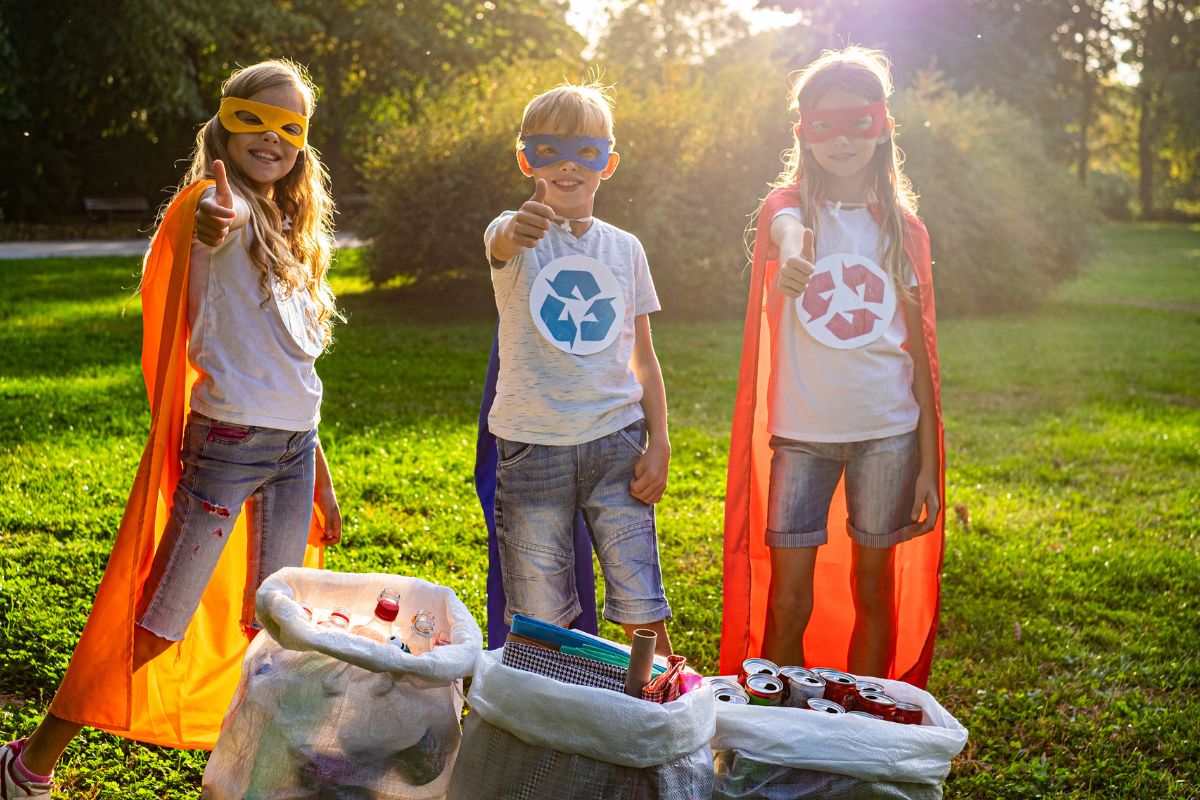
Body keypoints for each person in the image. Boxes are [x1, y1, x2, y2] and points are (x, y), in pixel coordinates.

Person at [1, 59, 343, 797]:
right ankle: (30, 761)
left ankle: (260, 766)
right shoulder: (214, 208)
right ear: (226, 122)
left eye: (290, 128)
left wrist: (319, 472)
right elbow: (204, 227)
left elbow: (294, 369)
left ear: (304, 143)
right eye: (255, 120)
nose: (272, 138)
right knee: (158, 621)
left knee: (277, 624)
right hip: (226, 452)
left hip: (291, 451)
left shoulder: (288, 224)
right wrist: (209, 215)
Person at [719, 47, 946, 685]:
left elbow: (921, 359)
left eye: (858, 123)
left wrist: (929, 461)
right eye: (824, 126)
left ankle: (863, 731)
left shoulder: (906, 232)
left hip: (889, 435)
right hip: (802, 437)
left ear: (884, 128)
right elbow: (786, 225)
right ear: (802, 134)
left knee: (873, 591)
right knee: (787, 598)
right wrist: (793, 252)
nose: (842, 140)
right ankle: (783, 734)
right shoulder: (787, 211)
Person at [479, 81, 674, 655]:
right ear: (525, 160)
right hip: (532, 449)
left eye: (585, 153)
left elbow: (644, 355)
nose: (567, 166)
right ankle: (549, 730)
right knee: (538, 618)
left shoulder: (626, 249)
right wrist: (520, 228)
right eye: (549, 151)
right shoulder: (512, 233)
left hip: (617, 443)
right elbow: (503, 240)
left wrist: (659, 439)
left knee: (643, 602)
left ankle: (657, 721)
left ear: (608, 164)